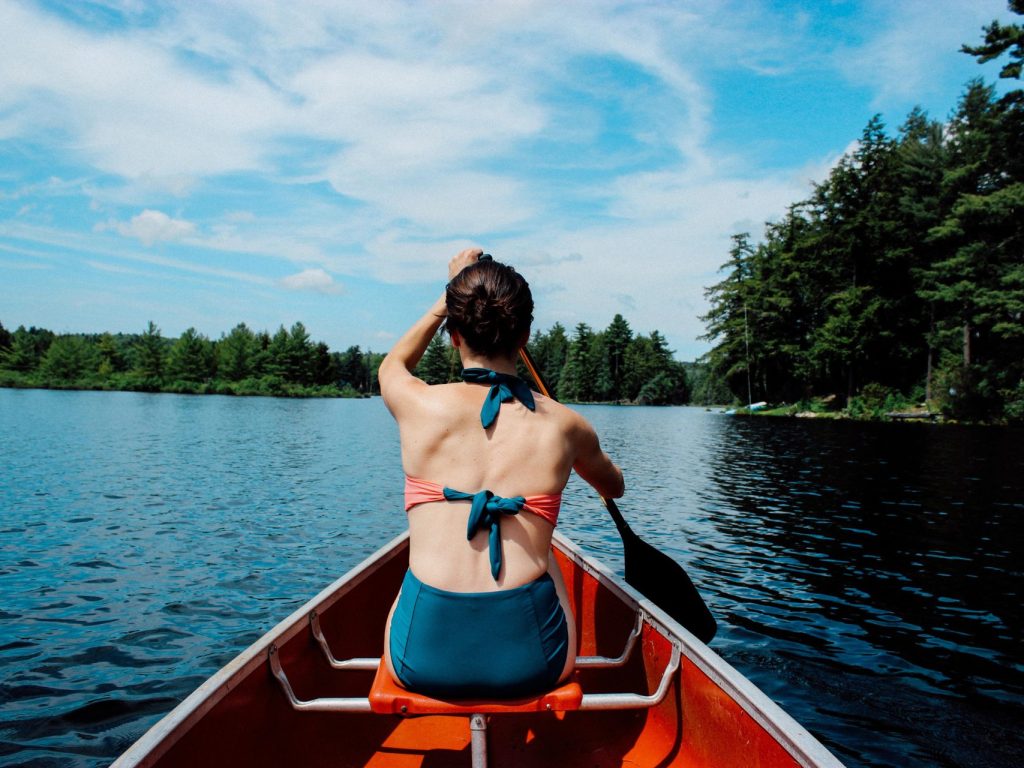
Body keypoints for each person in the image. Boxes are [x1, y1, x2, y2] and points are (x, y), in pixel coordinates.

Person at [378, 247, 624, 699]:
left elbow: (393, 366)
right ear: (525, 334)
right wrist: (583, 457)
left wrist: (446, 294)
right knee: (546, 552)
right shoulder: (567, 425)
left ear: (453, 334)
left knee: (420, 558)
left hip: (419, 662)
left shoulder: (418, 405)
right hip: (533, 665)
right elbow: (616, 487)